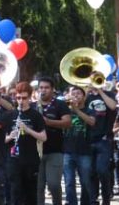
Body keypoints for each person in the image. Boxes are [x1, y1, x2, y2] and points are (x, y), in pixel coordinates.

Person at [5, 82, 47, 205]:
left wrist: (28, 130)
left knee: (30, 194)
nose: (20, 101)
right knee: (15, 192)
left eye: (24, 98)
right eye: (18, 98)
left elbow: (43, 137)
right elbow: (0, 139)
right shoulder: (10, 115)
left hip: (30, 160)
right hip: (13, 159)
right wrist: (9, 137)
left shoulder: (36, 115)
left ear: (29, 97)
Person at [35, 77, 71, 205]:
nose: (43, 90)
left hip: (55, 150)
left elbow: (67, 122)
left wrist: (48, 122)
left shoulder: (59, 104)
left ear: (52, 89)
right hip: (36, 152)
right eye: (41, 88)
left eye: (46, 87)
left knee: (54, 184)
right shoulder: (34, 105)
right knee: (38, 187)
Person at [63, 86, 95, 205]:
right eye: (73, 93)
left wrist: (76, 110)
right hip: (67, 150)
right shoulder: (65, 110)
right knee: (69, 181)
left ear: (84, 96)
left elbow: (92, 122)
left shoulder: (89, 110)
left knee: (85, 181)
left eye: (78, 93)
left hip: (84, 151)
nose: (76, 96)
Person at [85, 85, 116, 205]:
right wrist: (87, 91)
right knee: (91, 171)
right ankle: (93, 199)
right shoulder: (86, 96)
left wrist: (100, 91)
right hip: (88, 139)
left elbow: (113, 106)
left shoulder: (108, 94)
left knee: (102, 170)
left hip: (104, 138)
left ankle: (106, 197)